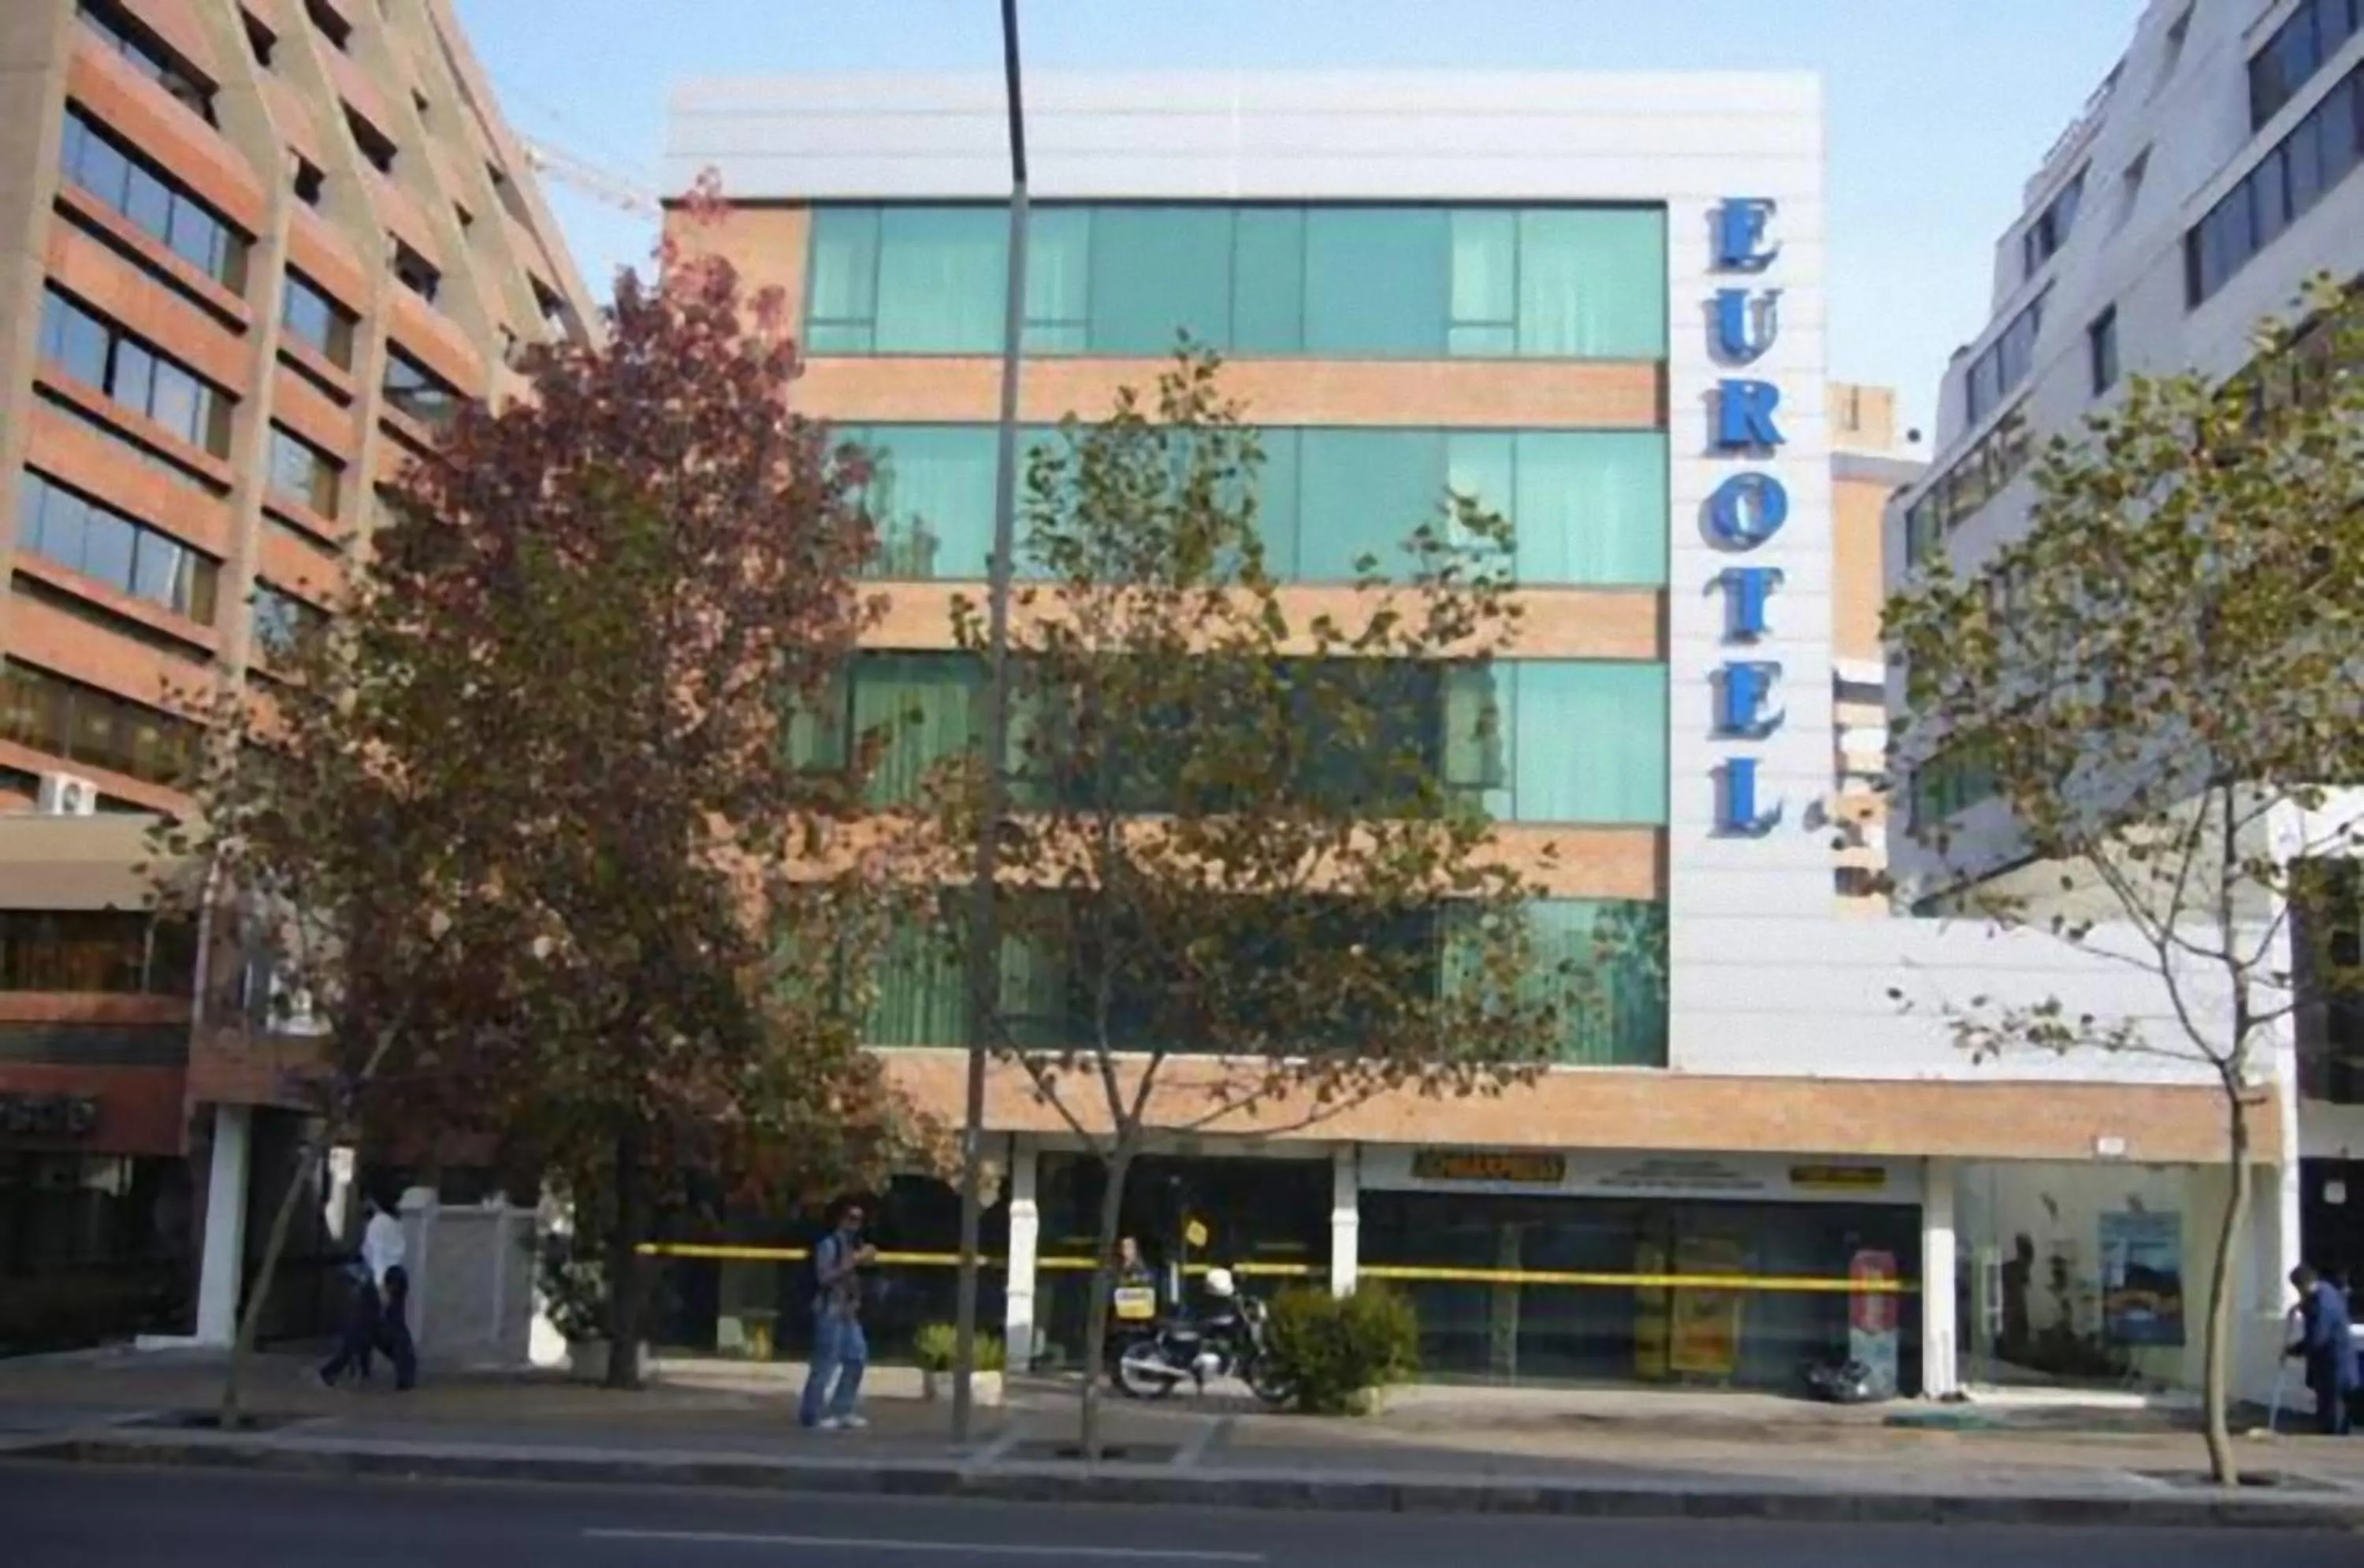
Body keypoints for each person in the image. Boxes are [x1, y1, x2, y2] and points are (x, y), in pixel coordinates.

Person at [799, 1198, 875, 1432]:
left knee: (857, 1357)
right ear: (840, 1220)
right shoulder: (829, 1245)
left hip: (848, 1311)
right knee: (825, 1362)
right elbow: (825, 1276)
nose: (855, 1225)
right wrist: (854, 1261)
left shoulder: (855, 1245)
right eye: (851, 1219)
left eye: (859, 1220)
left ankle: (843, 1408)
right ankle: (811, 1414)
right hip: (830, 1309)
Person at [320, 1190, 411, 1389]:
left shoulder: (377, 1224)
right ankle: (405, 1372)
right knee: (393, 1327)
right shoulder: (395, 1223)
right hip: (397, 1274)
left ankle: (334, 1370)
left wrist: (379, 1286)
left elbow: (378, 1256)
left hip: (383, 1277)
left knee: (359, 1325)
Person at [2288, 1264, 2359, 1436]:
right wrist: (2300, 1307)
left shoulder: (2322, 1304)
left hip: (2333, 1367)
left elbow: (2317, 1338)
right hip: (2337, 1365)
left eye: (2298, 1289)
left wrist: (2293, 1350)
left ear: (2303, 1285)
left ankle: (2333, 1449)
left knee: (2332, 1415)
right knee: (2336, 1411)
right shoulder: (2326, 1291)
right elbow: (2311, 1307)